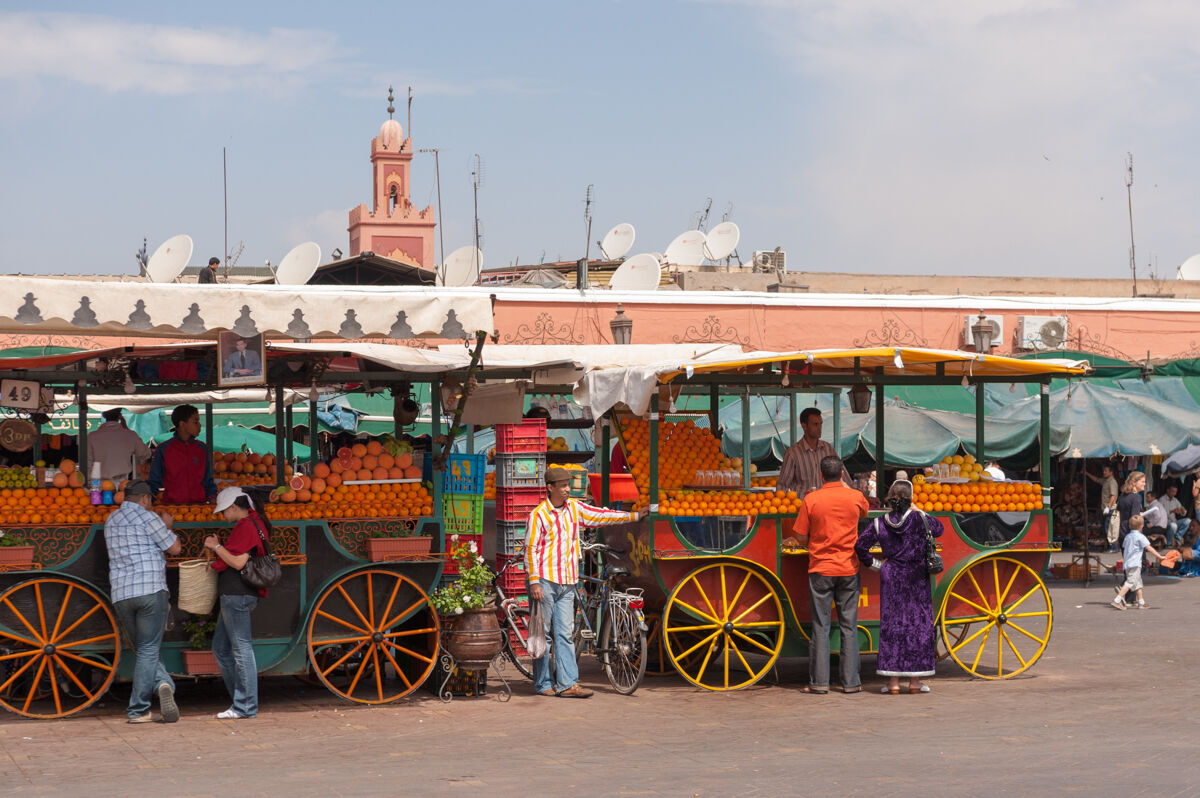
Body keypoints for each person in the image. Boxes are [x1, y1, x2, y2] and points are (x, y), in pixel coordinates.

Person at [525, 466, 645, 698]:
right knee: (544, 635)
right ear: (550, 488)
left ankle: (568, 684)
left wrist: (634, 516)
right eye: (563, 486)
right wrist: (534, 582)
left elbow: (601, 516)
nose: (567, 490)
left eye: (568, 485)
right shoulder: (538, 515)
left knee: (564, 634)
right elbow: (531, 550)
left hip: (567, 581)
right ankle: (543, 683)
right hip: (545, 581)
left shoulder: (575, 508)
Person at [784, 455, 869, 694]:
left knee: (820, 627)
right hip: (848, 568)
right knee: (849, 626)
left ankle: (819, 683)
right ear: (842, 474)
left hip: (820, 568)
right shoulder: (855, 496)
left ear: (820, 475)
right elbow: (865, 512)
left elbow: (801, 537)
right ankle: (851, 682)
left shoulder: (811, 499)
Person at [103, 479, 181, 723]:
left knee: (143, 647)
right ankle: (138, 709)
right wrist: (167, 526)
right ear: (146, 499)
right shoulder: (149, 518)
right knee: (148, 647)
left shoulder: (111, 519)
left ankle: (162, 684)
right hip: (150, 590)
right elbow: (175, 548)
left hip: (122, 594)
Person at [855, 480, 942, 694]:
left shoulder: (879, 522)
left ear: (889, 499)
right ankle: (915, 682)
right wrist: (919, 510)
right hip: (917, 577)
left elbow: (860, 546)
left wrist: (877, 565)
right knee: (918, 625)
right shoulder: (920, 519)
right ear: (910, 498)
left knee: (892, 625)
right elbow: (939, 529)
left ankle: (893, 682)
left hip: (891, 575)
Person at [203, 487, 271, 719]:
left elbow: (239, 562)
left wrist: (216, 547)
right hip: (238, 594)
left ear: (233, 507)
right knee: (221, 649)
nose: (223, 516)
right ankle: (240, 701)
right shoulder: (255, 522)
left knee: (241, 649)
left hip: (237, 593)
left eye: (224, 511)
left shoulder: (245, 526)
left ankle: (245, 706)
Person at [148, 405, 218, 505]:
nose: (199, 426)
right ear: (182, 424)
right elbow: (154, 481)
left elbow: (208, 479)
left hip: (199, 508)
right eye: (195, 422)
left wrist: (212, 497)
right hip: (170, 507)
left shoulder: (202, 449)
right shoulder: (163, 449)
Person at [778, 408, 849, 497]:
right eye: (815, 424)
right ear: (804, 426)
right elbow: (782, 486)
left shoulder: (828, 449)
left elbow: (844, 478)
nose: (819, 428)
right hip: (803, 504)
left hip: (826, 503)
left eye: (821, 424)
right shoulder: (793, 453)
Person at [1112, 514, 1163, 610]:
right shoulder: (1141, 537)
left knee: (1138, 583)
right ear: (1142, 526)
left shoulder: (1127, 537)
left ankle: (1141, 602)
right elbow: (1149, 548)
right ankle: (1117, 600)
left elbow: (1124, 547)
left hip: (1127, 564)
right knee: (1130, 582)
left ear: (1129, 526)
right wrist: (1159, 556)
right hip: (1135, 564)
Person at [87, 408, 151, 483]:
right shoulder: (130, 435)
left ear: (103, 415)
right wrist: (127, 430)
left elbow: (88, 463)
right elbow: (146, 454)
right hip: (122, 484)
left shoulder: (92, 437)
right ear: (120, 416)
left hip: (99, 485)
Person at [1086, 464, 1120, 550]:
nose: (1104, 472)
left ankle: (1113, 547)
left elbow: (1113, 495)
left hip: (1110, 509)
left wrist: (1108, 507)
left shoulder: (1112, 482)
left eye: (1106, 471)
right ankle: (1109, 546)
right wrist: (1086, 473)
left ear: (1111, 472)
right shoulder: (1106, 481)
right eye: (1104, 470)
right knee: (1105, 529)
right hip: (1105, 509)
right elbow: (1097, 480)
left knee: (1109, 529)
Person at [1115, 471, 1145, 552]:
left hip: (1122, 532)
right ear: (1134, 483)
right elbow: (1134, 518)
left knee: (1126, 558)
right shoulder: (1136, 497)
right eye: (1142, 482)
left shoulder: (1122, 496)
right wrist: (1140, 515)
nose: (1144, 484)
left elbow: (1121, 510)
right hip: (1132, 534)